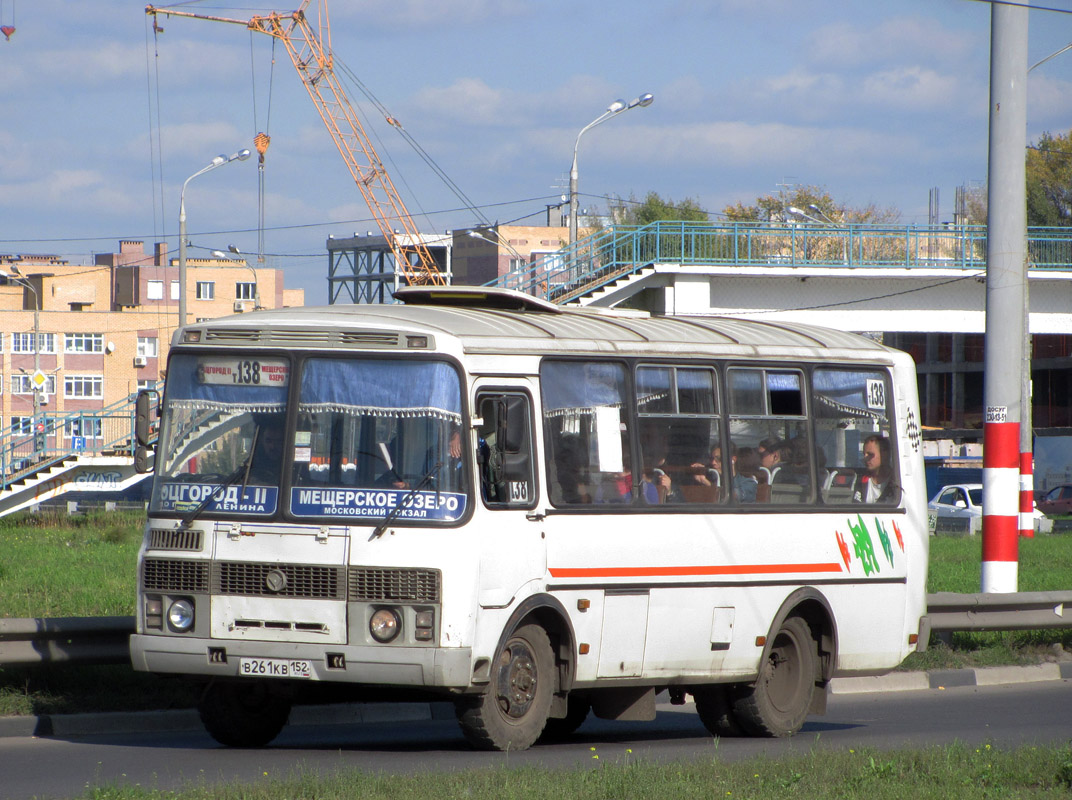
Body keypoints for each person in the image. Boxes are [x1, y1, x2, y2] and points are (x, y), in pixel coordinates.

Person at [856, 434, 898, 504]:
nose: (865, 458)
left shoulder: (897, 482)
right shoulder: (860, 480)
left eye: (870, 454)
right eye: (864, 454)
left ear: (884, 455)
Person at [247, 419, 285, 484]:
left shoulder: (295, 469)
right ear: (262, 441)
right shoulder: (251, 466)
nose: (273, 446)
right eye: (268, 441)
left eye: (278, 441)